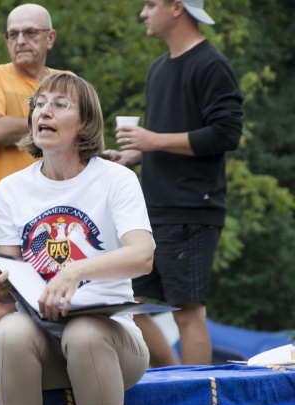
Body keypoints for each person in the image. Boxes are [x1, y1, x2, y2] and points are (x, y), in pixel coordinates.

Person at [0, 73, 152, 405]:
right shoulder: (11, 189)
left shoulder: (116, 179)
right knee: (10, 331)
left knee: (84, 332)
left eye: (60, 105)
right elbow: (7, 278)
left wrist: (75, 271)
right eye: (39, 104)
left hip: (112, 343)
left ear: (85, 124)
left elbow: (143, 256)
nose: (45, 112)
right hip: (42, 346)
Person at [104, 0, 243, 366]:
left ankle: (197, 396)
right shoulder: (158, 68)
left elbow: (226, 134)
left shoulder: (211, 64)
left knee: (187, 312)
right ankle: (174, 379)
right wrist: (134, 156)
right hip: (151, 211)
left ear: (177, 6)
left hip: (192, 210)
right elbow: (164, 141)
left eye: (151, 4)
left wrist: (152, 141)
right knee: (128, 305)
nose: (143, 13)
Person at [0, 3, 72, 326]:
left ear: (50, 38)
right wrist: (52, 121)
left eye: (30, 32)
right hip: (2, 222)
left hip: (59, 222)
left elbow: (82, 137)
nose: (20, 40)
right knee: (2, 308)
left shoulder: (66, 82)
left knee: (63, 307)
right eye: (13, 34)